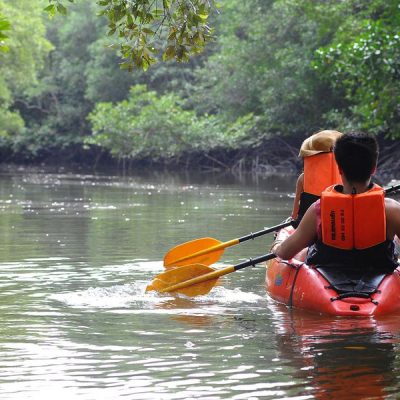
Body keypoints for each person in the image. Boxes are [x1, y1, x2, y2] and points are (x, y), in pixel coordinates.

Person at [274, 131, 400, 273]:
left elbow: (285, 253)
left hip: (328, 277)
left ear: (339, 168)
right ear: (373, 169)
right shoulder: (392, 210)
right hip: (378, 275)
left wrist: (278, 245)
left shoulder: (318, 209)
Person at [292, 130, 343, 226]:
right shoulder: (345, 177)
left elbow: (296, 207)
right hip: (336, 222)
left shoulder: (303, 178)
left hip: (308, 225)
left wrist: (294, 218)